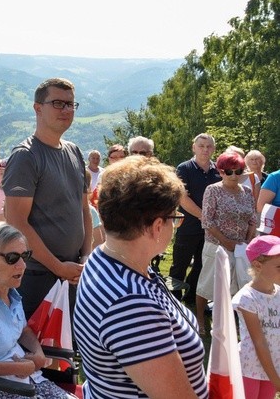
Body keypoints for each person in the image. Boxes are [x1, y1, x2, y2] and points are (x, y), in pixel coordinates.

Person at [73, 155, 207, 398]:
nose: (173, 227)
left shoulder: (106, 259)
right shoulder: (132, 304)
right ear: (157, 226)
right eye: (174, 219)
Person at [2, 77, 92, 318]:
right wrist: (58, 267)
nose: (66, 110)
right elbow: (16, 222)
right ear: (38, 108)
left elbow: (83, 209)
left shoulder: (74, 151)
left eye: (71, 104)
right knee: (36, 352)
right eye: (58, 103)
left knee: (65, 350)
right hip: (36, 275)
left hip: (72, 273)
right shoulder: (25, 156)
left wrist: (85, 258)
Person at [0, 222, 77, 399]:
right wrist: (20, 367)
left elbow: (23, 330)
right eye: (12, 258)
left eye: (24, 256)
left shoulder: (11, 293)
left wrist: (38, 353)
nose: (22, 266)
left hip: (29, 381)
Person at [194, 152, 256, 334]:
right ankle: (200, 318)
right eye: (229, 172)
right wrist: (226, 241)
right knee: (207, 284)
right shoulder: (213, 190)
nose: (234, 175)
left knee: (238, 284)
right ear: (221, 172)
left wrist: (248, 239)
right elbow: (207, 221)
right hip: (217, 245)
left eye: (238, 171)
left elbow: (252, 218)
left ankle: (232, 321)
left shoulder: (247, 192)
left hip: (241, 247)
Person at [172, 133, 220, 302]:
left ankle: (192, 297)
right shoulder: (184, 168)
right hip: (189, 226)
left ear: (213, 149)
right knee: (180, 264)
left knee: (202, 265)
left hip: (211, 229)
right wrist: (204, 217)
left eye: (209, 146)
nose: (205, 150)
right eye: (201, 146)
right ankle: (173, 299)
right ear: (194, 147)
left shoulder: (218, 171)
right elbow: (183, 198)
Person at [232, 235, 280, 399]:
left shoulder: (278, 293)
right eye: (279, 267)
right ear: (257, 265)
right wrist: (277, 381)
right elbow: (259, 343)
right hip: (249, 368)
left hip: (274, 366)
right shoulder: (247, 299)